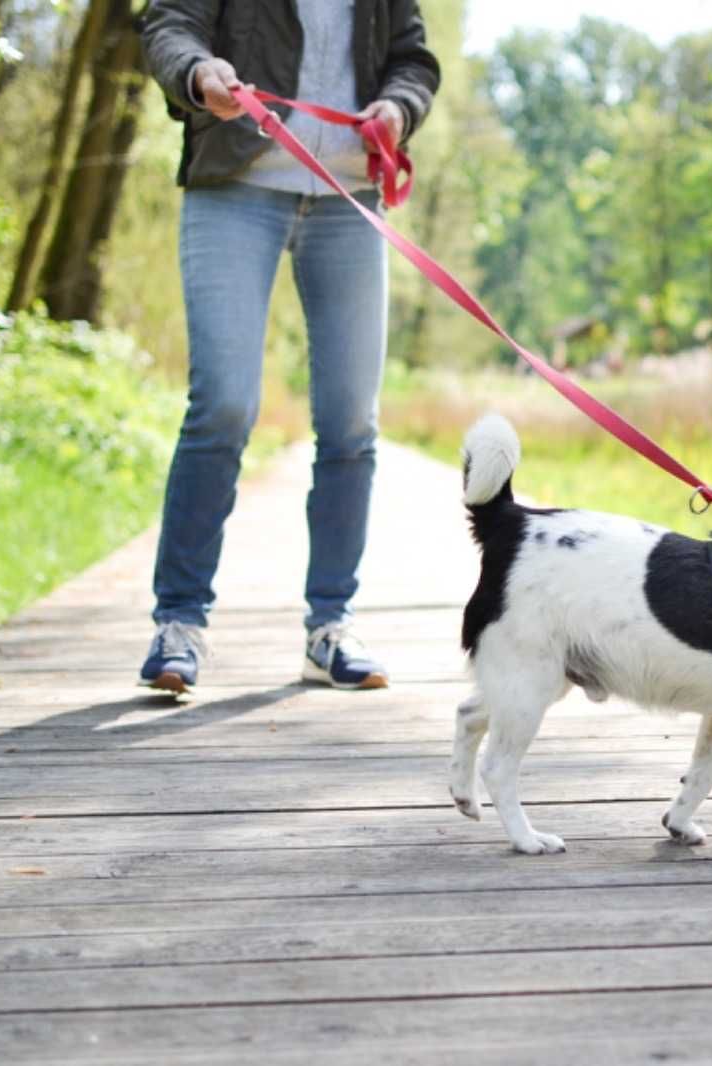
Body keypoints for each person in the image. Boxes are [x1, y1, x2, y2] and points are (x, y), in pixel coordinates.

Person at [135, 1, 440, 693]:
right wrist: (196, 70)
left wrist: (398, 106)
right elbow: (168, 22)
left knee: (352, 423)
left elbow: (411, 58)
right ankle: (179, 624)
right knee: (223, 406)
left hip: (350, 195)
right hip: (236, 187)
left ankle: (331, 625)